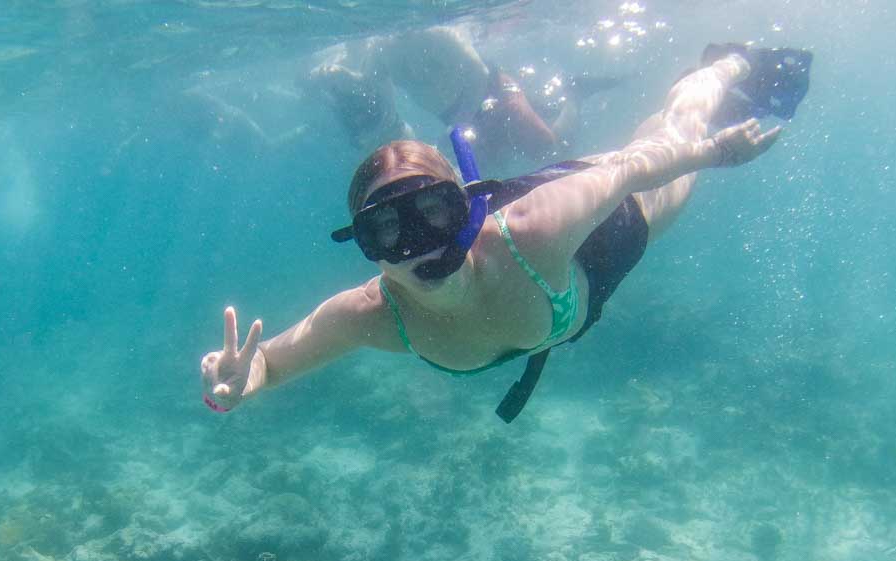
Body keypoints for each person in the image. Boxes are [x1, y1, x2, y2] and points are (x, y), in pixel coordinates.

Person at [201, 43, 813, 422]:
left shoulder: (539, 227)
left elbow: (630, 167)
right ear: (365, 248)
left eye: (435, 213)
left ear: (465, 206)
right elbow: (268, 364)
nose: (422, 245)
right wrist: (239, 385)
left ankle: (725, 63)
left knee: (669, 132)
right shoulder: (371, 316)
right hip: (553, 294)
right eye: (387, 231)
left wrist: (708, 155)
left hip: (600, 240)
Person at [302, 25, 621, 170]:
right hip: (460, 117)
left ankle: (574, 96)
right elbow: (369, 89)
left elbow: (477, 72)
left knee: (547, 149)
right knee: (492, 171)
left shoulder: (434, 33)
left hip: (492, 93)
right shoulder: (380, 50)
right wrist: (335, 75)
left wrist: (466, 122)